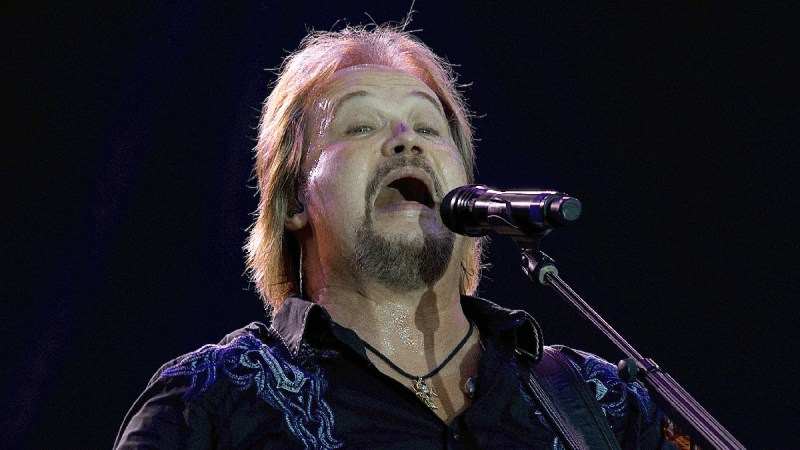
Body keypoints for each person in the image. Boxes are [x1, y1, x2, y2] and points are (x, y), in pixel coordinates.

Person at [115, 22, 679, 449]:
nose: (407, 140)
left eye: (429, 127)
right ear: (293, 202)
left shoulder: (604, 406)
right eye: (360, 125)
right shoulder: (207, 403)